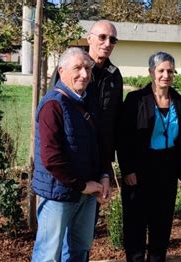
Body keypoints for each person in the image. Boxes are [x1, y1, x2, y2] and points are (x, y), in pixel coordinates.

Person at [31, 47, 109, 262]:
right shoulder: (53, 105)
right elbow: (52, 158)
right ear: (61, 70)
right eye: (77, 68)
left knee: (79, 251)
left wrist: (103, 176)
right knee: (48, 258)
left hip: (86, 193)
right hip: (59, 194)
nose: (84, 74)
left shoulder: (86, 101)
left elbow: (98, 145)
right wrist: (82, 185)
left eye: (87, 68)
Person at [117, 52, 181, 262]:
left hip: (166, 172)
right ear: (151, 73)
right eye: (161, 71)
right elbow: (123, 138)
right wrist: (127, 170)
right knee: (136, 227)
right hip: (139, 172)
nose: (166, 75)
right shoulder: (135, 100)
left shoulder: (179, 101)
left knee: (161, 227)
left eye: (170, 71)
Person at [49, 20, 123, 183]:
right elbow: (53, 108)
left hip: (99, 158)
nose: (107, 43)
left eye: (112, 40)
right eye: (102, 37)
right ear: (89, 39)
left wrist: (108, 162)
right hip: (72, 155)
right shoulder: (70, 68)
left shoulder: (114, 75)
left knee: (92, 207)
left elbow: (116, 119)